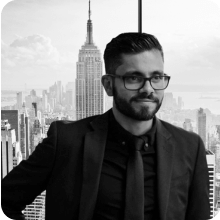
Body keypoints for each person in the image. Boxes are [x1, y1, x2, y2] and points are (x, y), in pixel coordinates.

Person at [1, 32, 210, 220]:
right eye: (134, 78)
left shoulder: (190, 147)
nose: (148, 89)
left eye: (156, 77)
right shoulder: (65, 141)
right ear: (108, 85)